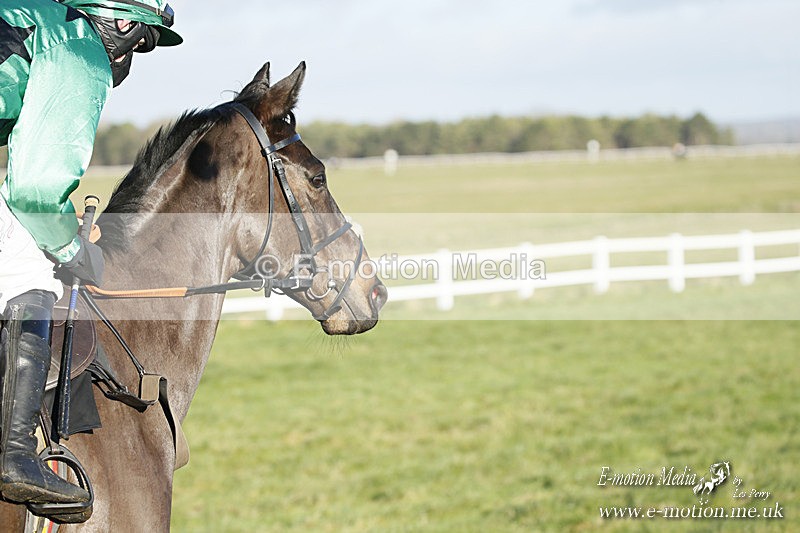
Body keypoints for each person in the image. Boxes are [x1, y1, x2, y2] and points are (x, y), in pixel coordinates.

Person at [0, 0, 181, 512]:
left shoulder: (30, 17)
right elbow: (33, 190)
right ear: (122, 22)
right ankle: (14, 455)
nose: (131, 58)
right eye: (142, 42)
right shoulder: (78, 49)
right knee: (27, 262)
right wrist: (72, 248)